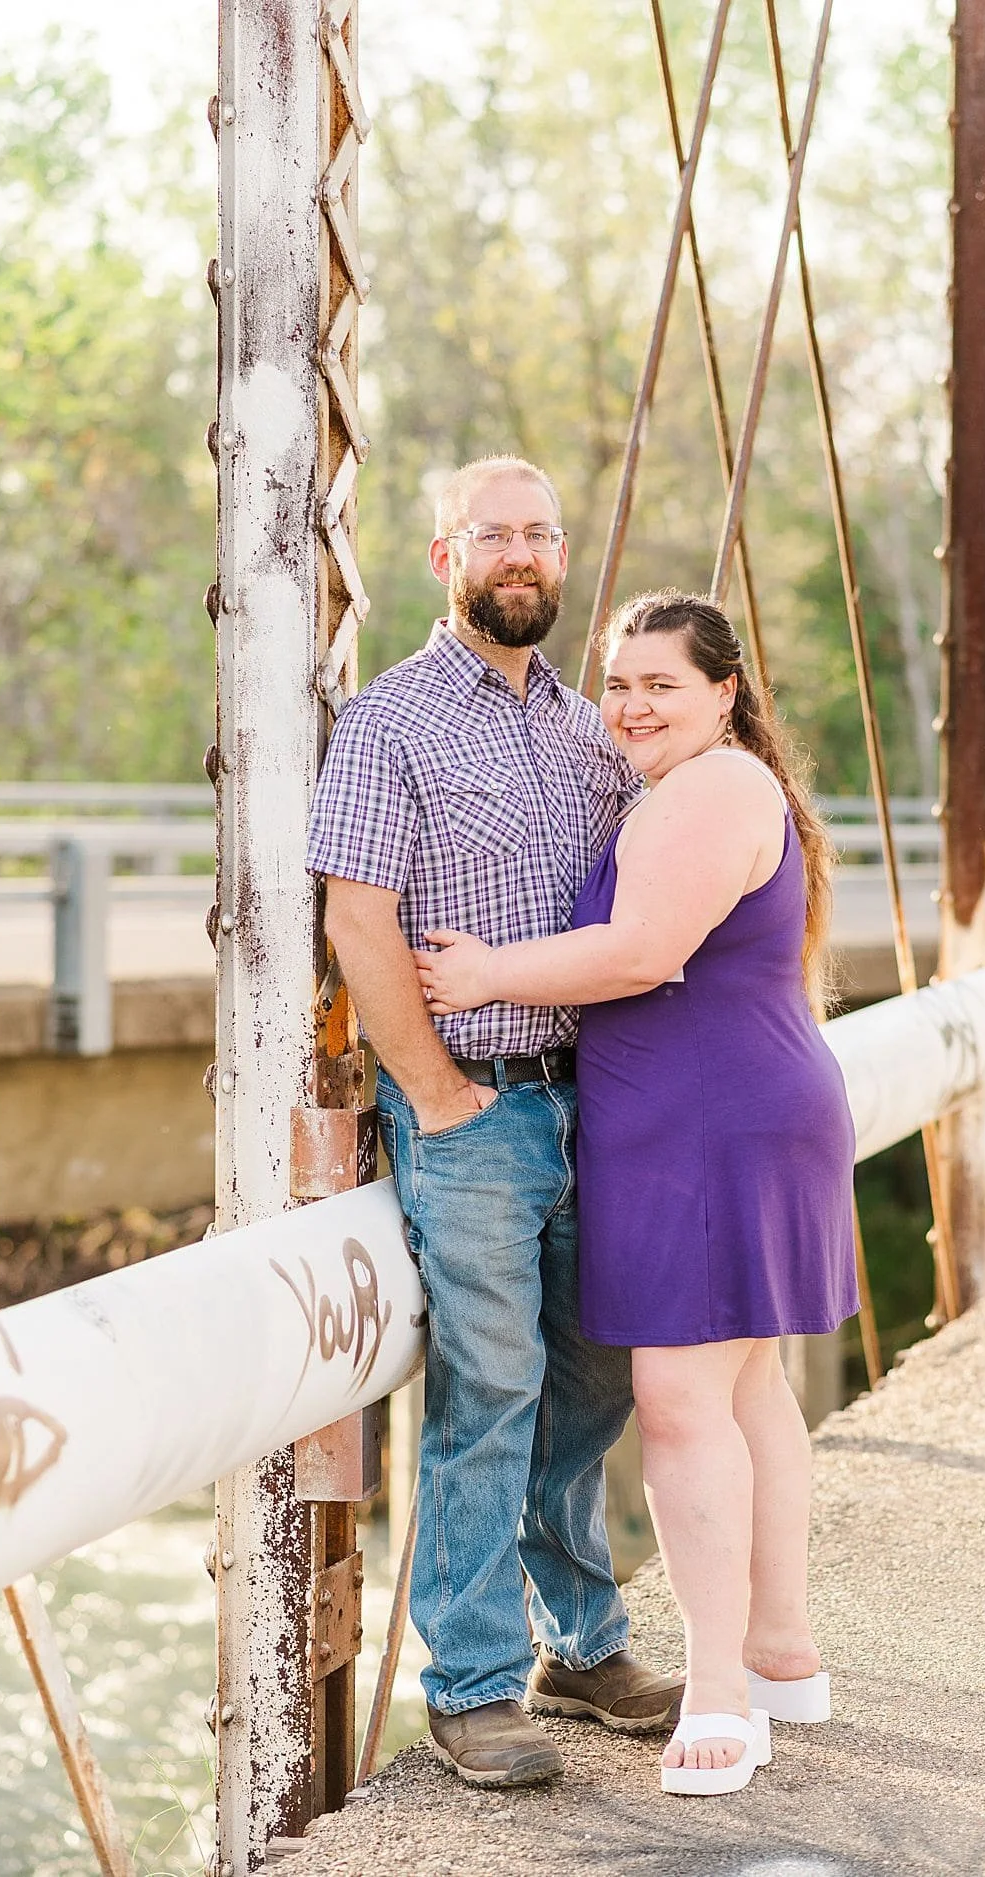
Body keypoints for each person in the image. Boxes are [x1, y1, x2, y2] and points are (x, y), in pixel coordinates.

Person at [417, 588, 857, 1797]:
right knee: (744, 1380)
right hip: (727, 1112)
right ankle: (779, 1651)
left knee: (674, 1399)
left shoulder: (713, 788)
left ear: (724, 692)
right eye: (615, 682)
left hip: (708, 1125)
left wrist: (483, 971)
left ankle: (721, 1695)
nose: (630, 705)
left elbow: (643, 950)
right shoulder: (705, 788)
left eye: (660, 682)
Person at [308, 456, 683, 1789]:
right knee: (492, 1387)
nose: (519, 554)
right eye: (492, 535)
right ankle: (470, 1683)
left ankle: (579, 1645)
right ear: (442, 555)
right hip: (475, 1112)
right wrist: (437, 1097)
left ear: (562, 555)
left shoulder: (596, 729)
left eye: (539, 533)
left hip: (600, 1110)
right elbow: (357, 919)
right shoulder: (390, 723)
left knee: (598, 1376)